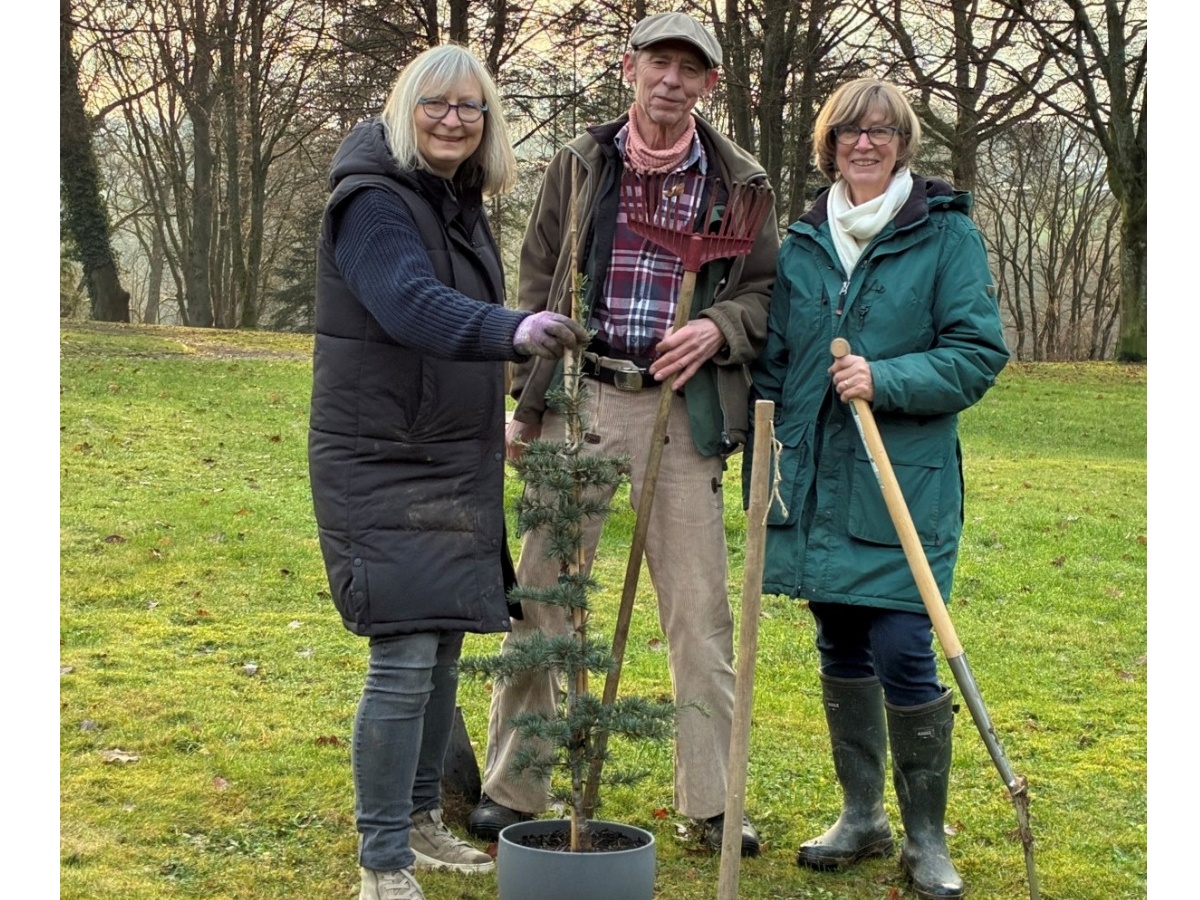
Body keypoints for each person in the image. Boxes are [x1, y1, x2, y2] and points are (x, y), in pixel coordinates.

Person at [465, 11, 779, 857]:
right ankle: (515, 785)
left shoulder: (740, 183)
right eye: (658, 64)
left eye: (689, 68)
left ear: (710, 82)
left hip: (684, 408)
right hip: (583, 393)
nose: (671, 81)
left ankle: (712, 802)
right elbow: (539, 284)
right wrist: (525, 406)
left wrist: (716, 327)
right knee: (543, 595)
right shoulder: (581, 164)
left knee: (700, 613)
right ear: (630, 68)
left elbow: (762, 293)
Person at [308, 44, 589, 900]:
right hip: (381, 455)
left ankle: (422, 818)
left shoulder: (456, 206)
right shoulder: (373, 203)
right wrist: (515, 328)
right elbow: (407, 304)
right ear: (404, 109)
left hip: (450, 451)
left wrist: (507, 408)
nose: (454, 119)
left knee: (440, 643)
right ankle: (381, 859)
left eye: (471, 107)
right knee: (401, 655)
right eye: (437, 103)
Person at [748, 77, 1009, 899]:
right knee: (839, 636)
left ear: (903, 144)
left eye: (884, 131)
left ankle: (926, 837)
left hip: (903, 476)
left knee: (904, 642)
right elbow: (779, 357)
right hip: (817, 475)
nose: (866, 143)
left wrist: (885, 376)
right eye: (851, 131)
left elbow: (977, 351)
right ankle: (861, 816)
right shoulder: (800, 241)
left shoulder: (945, 235)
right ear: (829, 144)